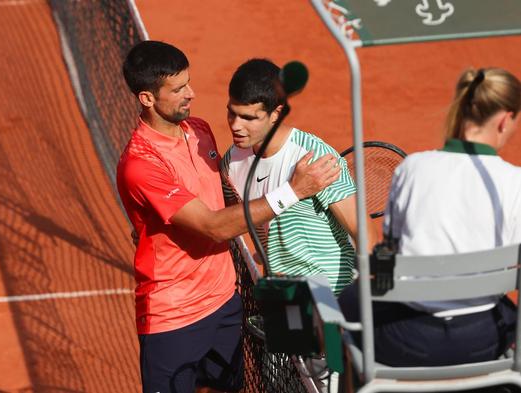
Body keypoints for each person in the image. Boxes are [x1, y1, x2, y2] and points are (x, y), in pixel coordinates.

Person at [116, 41, 341, 393]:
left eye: (188, 82)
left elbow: (224, 198)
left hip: (224, 303)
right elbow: (213, 226)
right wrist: (294, 191)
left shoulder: (199, 130)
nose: (190, 94)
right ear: (147, 98)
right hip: (172, 315)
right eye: (178, 90)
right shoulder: (141, 164)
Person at [339, 67, 521, 368]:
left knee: (349, 299)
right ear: (505, 119)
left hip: (404, 343)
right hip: (484, 343)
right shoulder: (516, 181)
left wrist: (374, 291)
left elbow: (388, 255)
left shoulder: (413, 167)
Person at [220, 58, 377, 296]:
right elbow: (241, 222)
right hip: (282, 294)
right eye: (232, 113)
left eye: (249, 118)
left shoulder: (314, 156)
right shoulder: (231, 162)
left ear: (276, 114)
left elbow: (364, 233)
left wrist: (363, 300)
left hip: (333, 296)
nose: (236, 126)